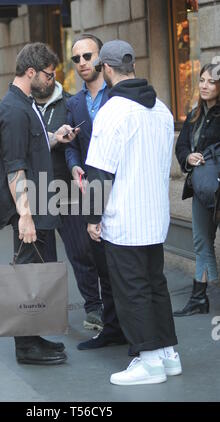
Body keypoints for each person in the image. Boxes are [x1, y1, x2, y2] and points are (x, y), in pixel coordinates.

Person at [0, 60, 104, 333]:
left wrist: (66, 144)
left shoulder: (69, 104)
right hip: (37, 196)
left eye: (52, 76)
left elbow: (83, 146)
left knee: (81, 251)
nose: (49, 80)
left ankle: (94, 307)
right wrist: (44, 138)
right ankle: (49, 314)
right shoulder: (21, 107)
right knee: (42, 259)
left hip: (67, 192)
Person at [85, 40, 181, 385]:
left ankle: (149, 360)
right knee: (155, 284)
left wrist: (93, 218)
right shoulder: (162, 109)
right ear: (132, 65)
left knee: (132, 289)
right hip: (155, 217)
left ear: (106, 69)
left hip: (124, 218)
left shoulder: (113, 111)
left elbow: (99, 172)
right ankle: (169, 355)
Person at [0, 42, 77, 365]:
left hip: (42, 207)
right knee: (26, 275)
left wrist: (55, 138)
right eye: (49, 74)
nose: (52, 80)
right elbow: (15, 167)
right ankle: (26, 348)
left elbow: (32, 146)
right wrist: (25, 215)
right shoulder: (14, 110)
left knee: (35, 275)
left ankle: (34, 337)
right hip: (30, 211)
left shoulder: (25, 104)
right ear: (31, 72)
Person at [65, 34, 127, 351]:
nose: (82, 63)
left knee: (126, 264)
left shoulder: (119, 95)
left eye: (87, 56)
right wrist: (75, 167)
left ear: (102, 58)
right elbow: (73, 148)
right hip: (91, 192)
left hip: (122, 189)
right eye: (76, 59)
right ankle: (112, 327)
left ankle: (134, 328)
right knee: (101, 261)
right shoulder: (73, 104)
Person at [174, 63, 220, 317]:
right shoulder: (194, 115)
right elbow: (181, 146)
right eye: (201, 80)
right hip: (201, 190)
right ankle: (202, 298)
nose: (204, 85)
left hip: (218, 189)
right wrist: (188, 157)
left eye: (210, 81)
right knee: (202, 242)